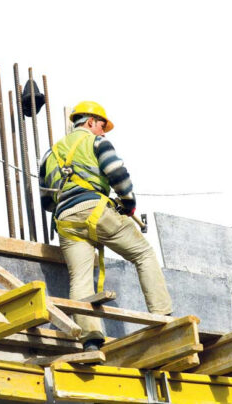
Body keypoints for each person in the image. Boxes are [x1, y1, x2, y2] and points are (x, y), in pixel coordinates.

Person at [39, 101, 173, 350]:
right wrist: (128, 203)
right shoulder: (96, 142)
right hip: (96, 211)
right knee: (143, 254)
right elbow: (117, 173)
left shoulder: (49, 155)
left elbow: (47, 201)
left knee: (79, 278)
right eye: (102, 126)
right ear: (90, 122)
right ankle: (163, 318)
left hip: (66, 221)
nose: (103, 131)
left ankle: (90, 339)